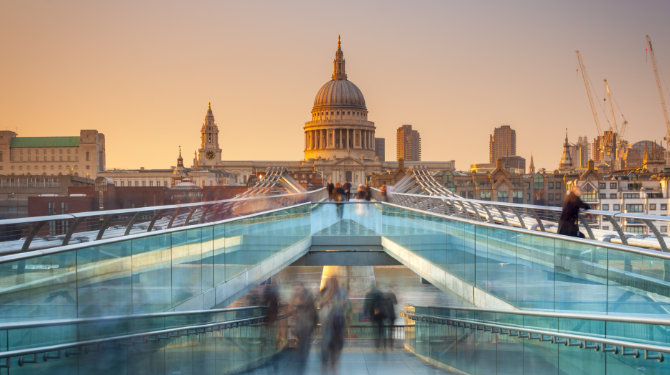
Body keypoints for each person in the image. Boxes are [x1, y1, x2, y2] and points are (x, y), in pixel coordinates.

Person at [319, 277, 348, 374]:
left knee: (336, 344)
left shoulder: (341, 291)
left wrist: (338, 302)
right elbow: (320, 304)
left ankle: (333, 363)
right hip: (328, 322)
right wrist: (327, 300)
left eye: (331, 283)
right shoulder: (324, 292)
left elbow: (345, 304)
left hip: (337, 322)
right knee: (328, 343)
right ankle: (328, 363)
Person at [291, 283, 317, 374]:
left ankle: (302, 365)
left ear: (303, 291)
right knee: (301, 347)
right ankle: (301, 365)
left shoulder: (306, 301)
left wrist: (313, 325)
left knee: (303, 347)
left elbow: (314, 314)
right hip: (302, 327)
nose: (298, 292)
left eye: (299, 290)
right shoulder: (301, 300)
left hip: (306, 326)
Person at [364, 285, 386, 351]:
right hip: (381, 314)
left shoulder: (369, 294)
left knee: (375, 330)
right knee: (381, 329)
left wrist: (365, 312)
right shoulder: (381, 294)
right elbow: (384, 303)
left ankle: (377, 345)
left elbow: (366, 304)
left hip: (373, 314)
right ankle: (383, 343)